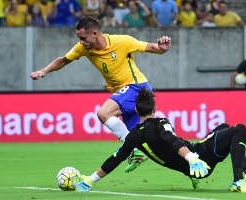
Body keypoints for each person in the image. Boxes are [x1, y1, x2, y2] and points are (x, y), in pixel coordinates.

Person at [29, 16, 171, 172]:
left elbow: (151, 47)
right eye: (79, 38)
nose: (81, 41)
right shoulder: (83, 48)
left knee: (104, 113)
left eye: (83, 37)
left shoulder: (122, 42)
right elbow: (63, 60)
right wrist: (44, 71)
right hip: (123, 94)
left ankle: (131, 147)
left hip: (137, 87)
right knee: (148, 141)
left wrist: (161, 48)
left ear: (94, 34)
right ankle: (186, 161)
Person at [74, 87, 246, 193]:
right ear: (154, 109)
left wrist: (91, 179)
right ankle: (238, 180)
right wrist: (192, 158)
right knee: (239, 129)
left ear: (136, 110)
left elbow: (116, 158)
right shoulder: (160, 123)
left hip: (193, 166)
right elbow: (172, 140)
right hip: (200, 158)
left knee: (223, 127)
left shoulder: (134, 135)